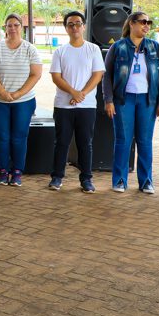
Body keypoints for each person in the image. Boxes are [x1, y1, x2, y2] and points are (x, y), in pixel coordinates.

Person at [102, 11, 159, 194]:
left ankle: (146, 181)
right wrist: (109, 100)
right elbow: (106, 76)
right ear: (131, 24)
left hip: (147, 100)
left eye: (149, 22)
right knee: (123, 140)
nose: (146, 25)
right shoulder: (118, 47)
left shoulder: (154, 47)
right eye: (142, 22)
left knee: (145, 141)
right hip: (123, 100)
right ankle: (120, 180)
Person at [49, 11, 105, 193]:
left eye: (78, 24)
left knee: (85, 143)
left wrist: (82, 94)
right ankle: (57, 177)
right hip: (63, 105)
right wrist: (73, 92)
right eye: (71, 24)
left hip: (87, 105)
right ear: (66, 28)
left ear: (84, 26)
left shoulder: (93, 49)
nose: (75, 27)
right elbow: (56, 77)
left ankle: (86, 179)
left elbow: (98, 74)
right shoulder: (60, 51)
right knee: (62, 142)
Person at [0, 13, 42, 187]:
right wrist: (2, 92)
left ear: (21, 27)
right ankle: (3, 171)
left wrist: (18, 94)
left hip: (23, 101)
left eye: (16, 25)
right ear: (5, 28)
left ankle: (17, 172)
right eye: (9, 25)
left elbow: (36, 74)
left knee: (19, 137)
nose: (13, 28)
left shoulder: (30, 49)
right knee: (2, 137)